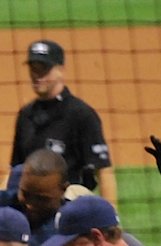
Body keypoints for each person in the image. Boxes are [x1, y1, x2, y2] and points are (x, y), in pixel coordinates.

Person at [10, 39, 116, 202]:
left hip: (70, 207)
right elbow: (13, 170)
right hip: (31, 208)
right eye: (33, 69)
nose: (37, 76)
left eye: (43, 69)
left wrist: (111, 214)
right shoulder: (26, 115)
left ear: (61, 70)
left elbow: (103, 171)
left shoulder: (81, 115)